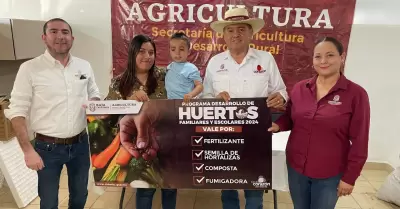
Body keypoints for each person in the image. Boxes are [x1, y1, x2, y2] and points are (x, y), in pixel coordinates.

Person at [4, 18, 100, 209]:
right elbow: (17, 112)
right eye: (54, 31)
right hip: (47, 149)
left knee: (80, 197)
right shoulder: (30, 69)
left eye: (65, 32)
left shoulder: (84, 66)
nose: (60, 36)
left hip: (80, 145)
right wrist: (27, 150)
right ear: (44, 37)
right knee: (48, 202)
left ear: (72, 38)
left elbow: (94, 93)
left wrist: (95, 103)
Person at [268, 37, 370, 209]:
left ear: (342, 57)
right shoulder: (301, 88)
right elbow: (290, 117)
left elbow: (360, 141)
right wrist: (278, 126)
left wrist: (350, 178)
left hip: (329, 172)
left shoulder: (356, 94)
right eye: (318, 56)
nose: (323, 61)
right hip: (296, 167)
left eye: (330, 55)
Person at [202, 7, 289, 209]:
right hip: (224, 135)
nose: (236, 34)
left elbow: (281, 91)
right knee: (228, 186)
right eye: (230, 30)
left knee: (255, 189)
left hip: (256, 135)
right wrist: (214, 99)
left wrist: (280, 98)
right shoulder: (215, 63)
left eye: (241, 29)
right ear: (223, 35)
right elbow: (205, 96)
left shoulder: (266, 59)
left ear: (251, 33)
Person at [104, 34, 177, 209]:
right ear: (132, 54)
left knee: (170, 188)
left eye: (151, 52)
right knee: (145, 189)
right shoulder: (119, 83)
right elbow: (106, 112)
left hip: (168, 142)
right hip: (141, 146)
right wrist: (128, 101)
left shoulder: (165, 76)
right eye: (142, 52)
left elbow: (184, 95)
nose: (147, 56)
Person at [165, 32, 203, 103]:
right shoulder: (169, 67)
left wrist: (190, 95)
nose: (177, 53)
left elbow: (200, 86)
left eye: (181, 49)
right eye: (173, 49)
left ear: (188, 52)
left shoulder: (191, 68)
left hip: (185, 105)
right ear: (169, 51)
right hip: (170, 105)